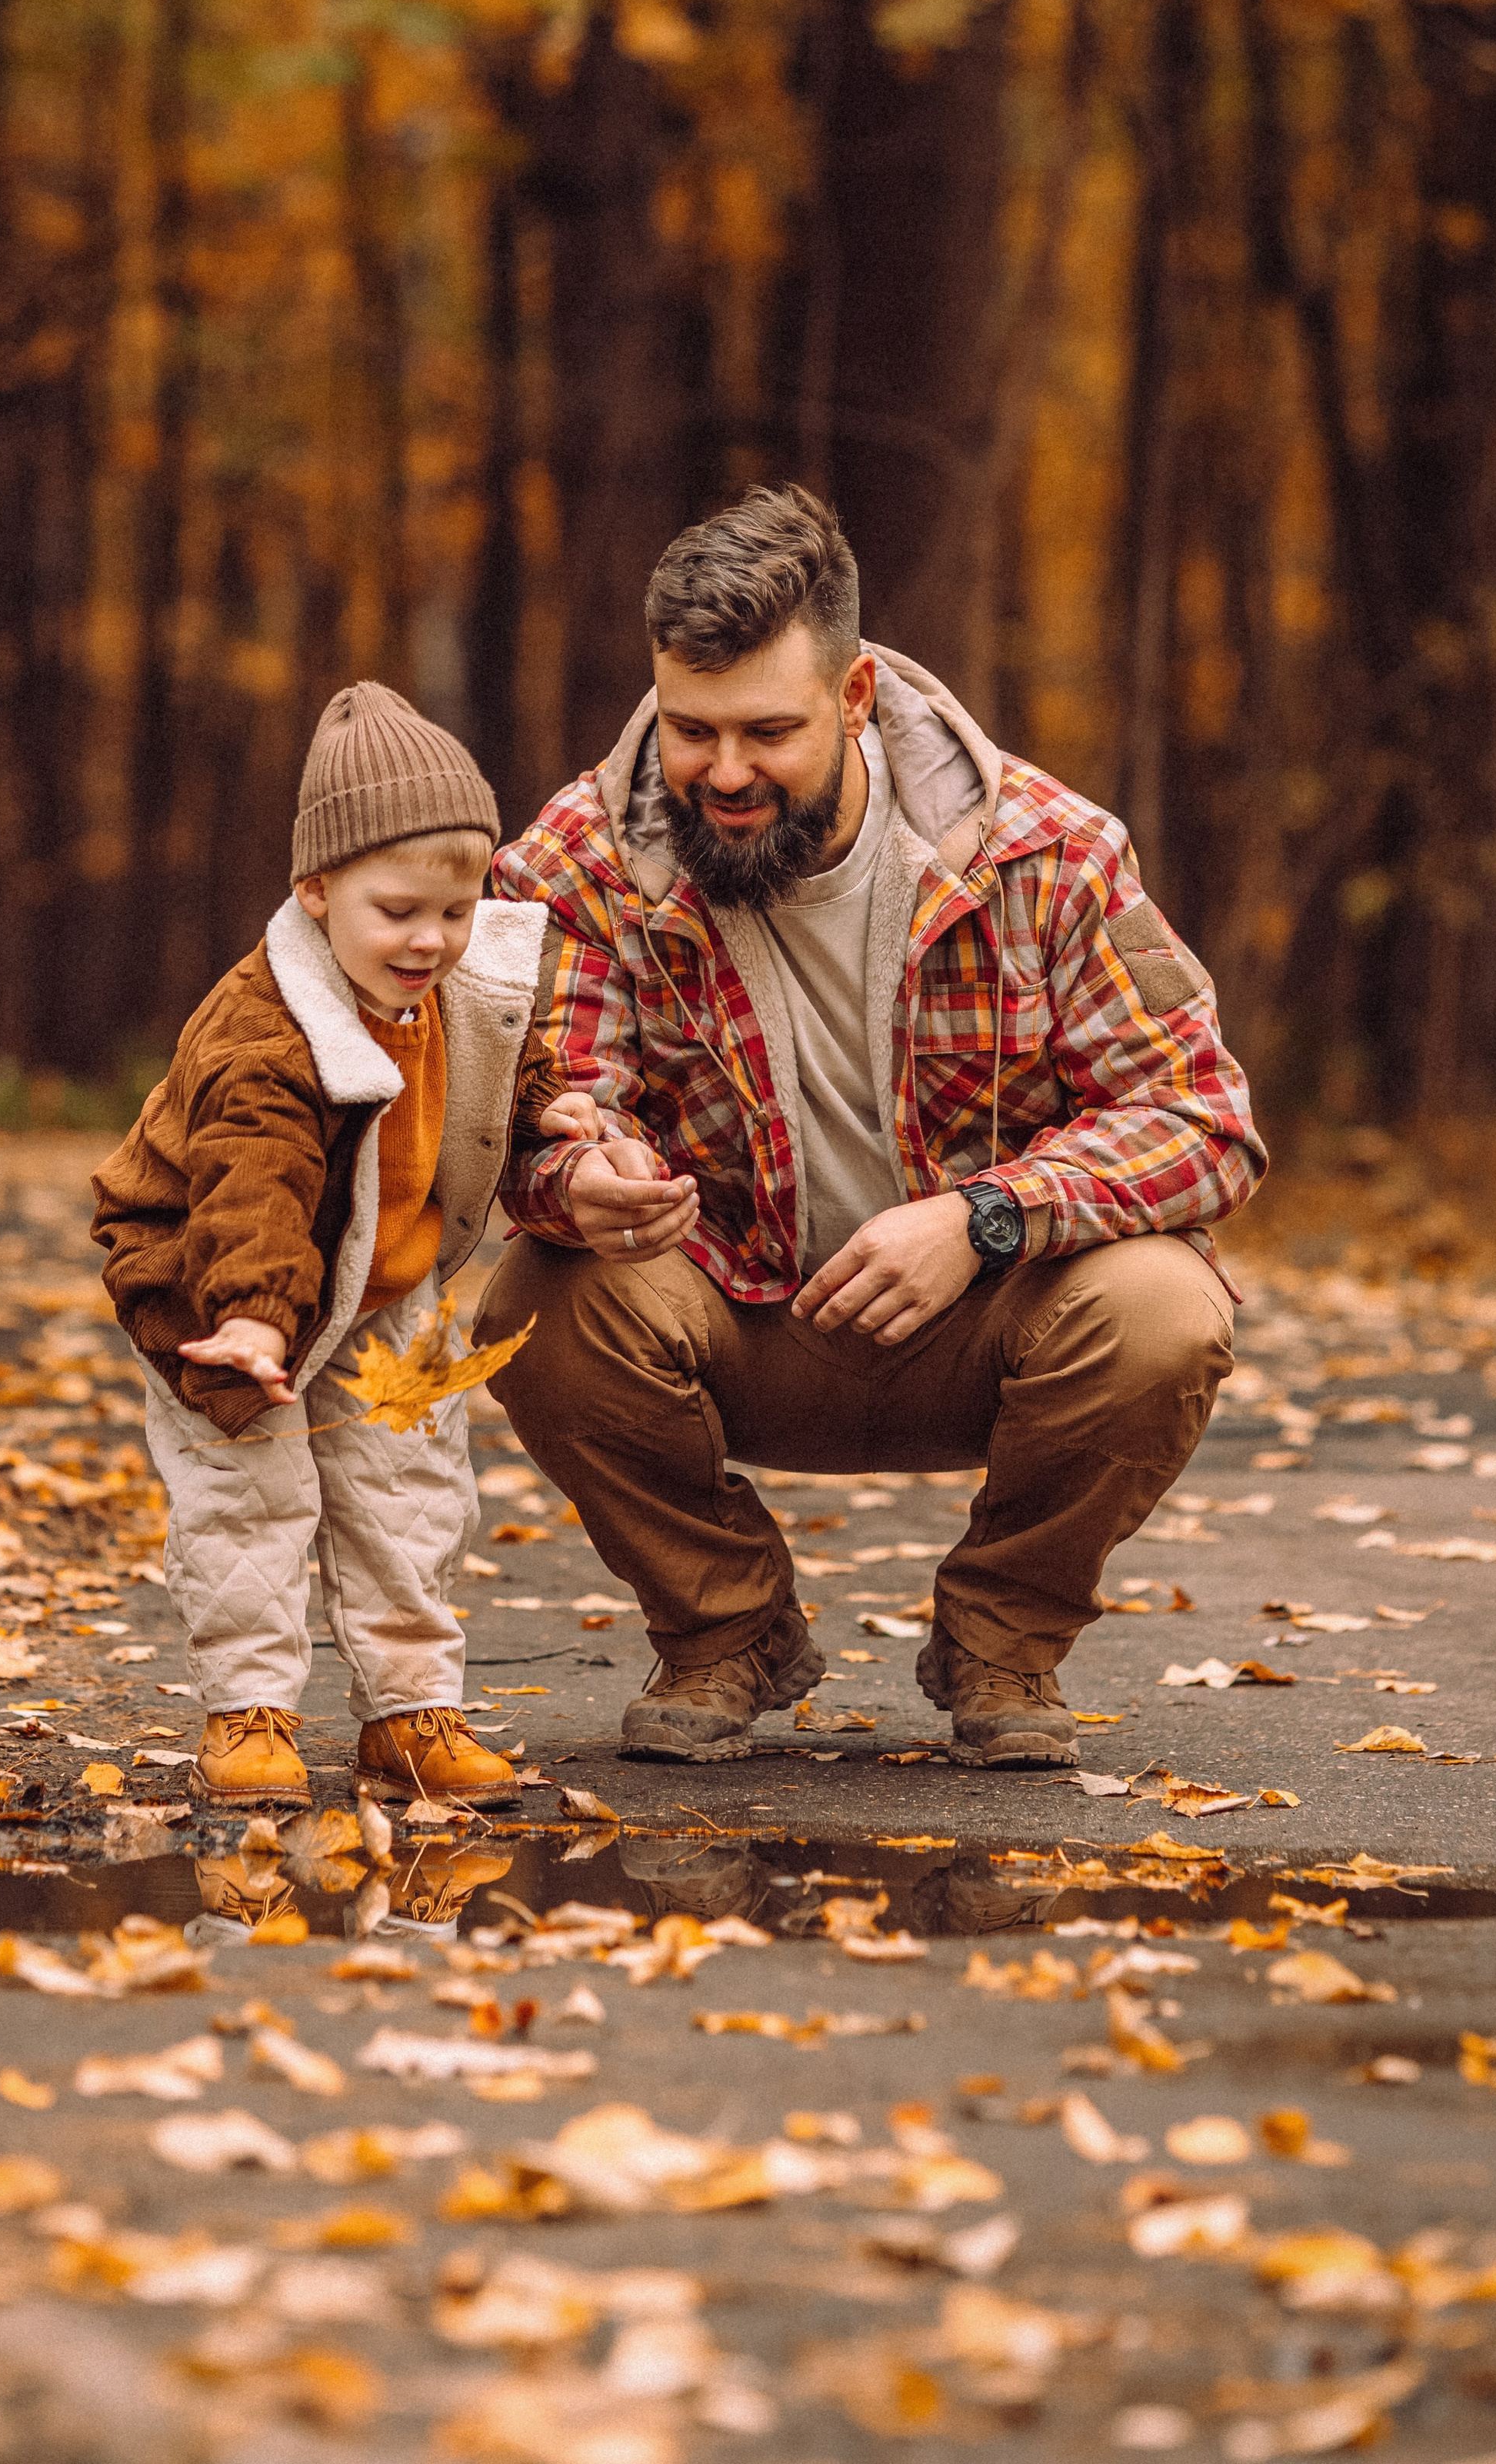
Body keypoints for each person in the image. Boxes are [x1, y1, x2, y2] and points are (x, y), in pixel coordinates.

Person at [476, 484, 1267, 1769]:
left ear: (853, 698)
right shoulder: (574, 866)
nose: (725, 773)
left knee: (1166, 1311)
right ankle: (724, 1633)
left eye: (768, 732)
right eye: (691, 731)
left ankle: (1002, 1646)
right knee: (533, 1299)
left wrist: (985, 1218)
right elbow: (523, 1120)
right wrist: (578, 1177)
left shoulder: (1049, 854)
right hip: (728, 1320)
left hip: (989, 1325)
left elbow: (1203, 1121)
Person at [91, 681, 611, 1812]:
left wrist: (543, 1106)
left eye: (456, 911)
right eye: (399, 911)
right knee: (250, 1495)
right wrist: (249, 1318)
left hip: (379, 1276)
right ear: (316, 890)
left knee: (410, 1490)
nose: (432, 940)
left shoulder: (448, 980)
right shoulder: (265, 1036)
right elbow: (255, 1183)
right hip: (219, 1286)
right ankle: (248, 1711)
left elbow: (497, 1047)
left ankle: (409, 1711)